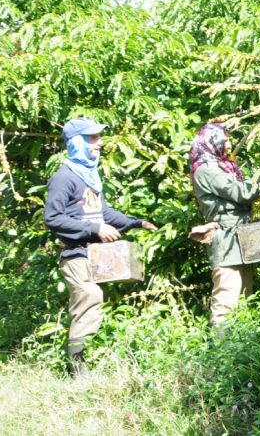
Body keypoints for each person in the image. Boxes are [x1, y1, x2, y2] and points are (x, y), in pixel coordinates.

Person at [43, 117, 157, 377]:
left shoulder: (89, 177)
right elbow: (52, 219)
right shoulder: (64, 178)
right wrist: (94, 230)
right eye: (92, 138)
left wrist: (136, 222)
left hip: (94, 255)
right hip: (76, 255)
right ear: (77, 143)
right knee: (90, 298)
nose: (99, 143)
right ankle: (77, 370)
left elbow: (102, 212)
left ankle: (87, 361)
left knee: (93, 305)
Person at [189, 122, 260, 326]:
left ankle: (242, 352)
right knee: (226, 300)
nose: (229, 144)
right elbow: (244, 193)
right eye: (224, 140)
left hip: (239, 239)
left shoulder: (221, 165)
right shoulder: (207, 170)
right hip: (226, 241)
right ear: (212, 142)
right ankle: (220, 352)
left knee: (245, 296)